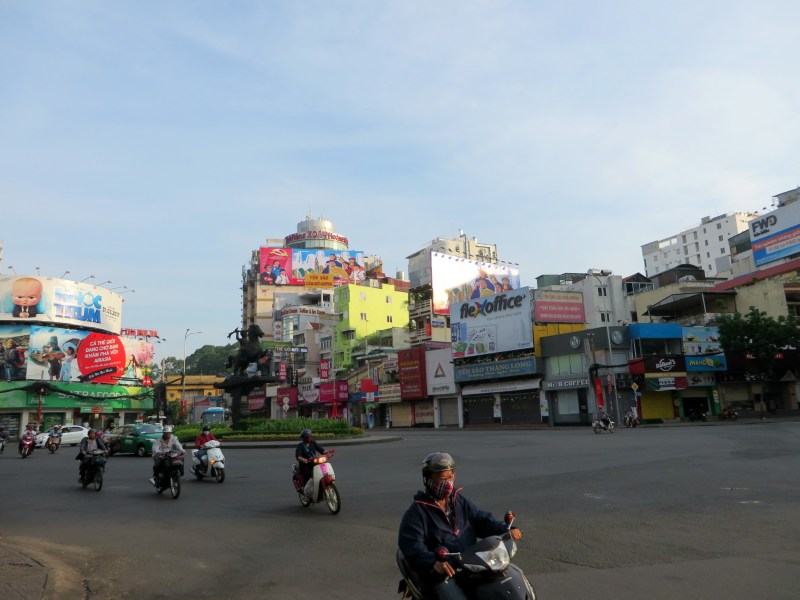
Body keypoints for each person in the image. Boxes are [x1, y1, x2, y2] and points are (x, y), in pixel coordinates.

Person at [398, 452, 523, 600]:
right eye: (442, 479)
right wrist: (434, 563)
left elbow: (481, 519)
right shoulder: (417, 512)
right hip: (444, 573)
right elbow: (412, 545)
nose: (448, 483)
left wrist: (506, 529)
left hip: (472, 565)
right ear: (428, 480)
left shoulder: (459, 501)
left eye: (450, 477)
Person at [295, 428, 326, 495]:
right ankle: (307, 491)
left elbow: (321, 450)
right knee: (310, 475)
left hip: (314, 463)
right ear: (303, 437)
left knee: (323, 472)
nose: (309, 437)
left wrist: (327, 452)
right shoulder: (300, 446)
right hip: (305, 465)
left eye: (310, 435)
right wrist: (303, 459)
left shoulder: (313, 443)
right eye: (307, 436)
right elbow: (298, 456)